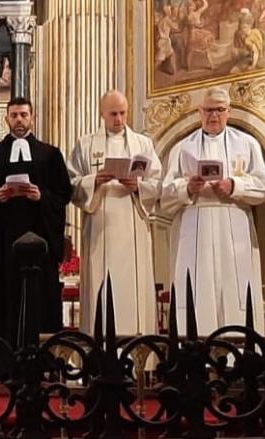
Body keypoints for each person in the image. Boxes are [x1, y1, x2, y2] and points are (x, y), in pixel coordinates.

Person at [0, 97, 72, 372]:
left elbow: (64, 194)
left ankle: (43, 365)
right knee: (3, 302)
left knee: (41, 303)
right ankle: (4, 366)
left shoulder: (50, 155)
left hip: (40, 245)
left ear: (32, 117)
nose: (19, 120)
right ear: (6, 119)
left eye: (23, 115)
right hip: (4, 246)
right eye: (14, 115)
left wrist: (42, 196)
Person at [161, 87, 265, 334]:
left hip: (234, 223)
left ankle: (240, 357)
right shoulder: (182, 148)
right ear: (200, 111)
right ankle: (195, 355)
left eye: (220, 110)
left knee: (235, 290)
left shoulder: (248, 144)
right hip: (194, 227)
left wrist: (235, 185)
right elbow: (165, 195)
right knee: (197, 291)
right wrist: (188, 187)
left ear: (228, 111)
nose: (214, 115)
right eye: (209, 110)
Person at [67, 90, 162, 335]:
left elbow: (158, 184)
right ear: (102, 114)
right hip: (100, 226)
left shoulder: (143, 144)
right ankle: (99, 355)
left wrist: (139, 186)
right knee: (101, 287)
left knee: (133, 289)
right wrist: (94, 180)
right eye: (113, 114)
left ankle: (138, 354)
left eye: (123, 113)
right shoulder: (86, 145)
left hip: (134, 226)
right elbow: (71, 183)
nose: (119, 119)